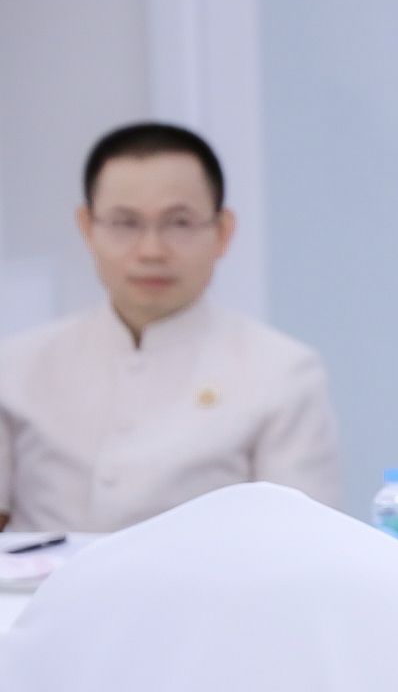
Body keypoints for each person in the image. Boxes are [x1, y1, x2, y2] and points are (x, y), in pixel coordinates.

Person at [0, 122, 340, 533]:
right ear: (88, 228)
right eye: (125, 223)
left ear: (222, 232)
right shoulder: (16, 366)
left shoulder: (283, 372)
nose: (151, 251)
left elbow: (306, 541)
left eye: (179, 223)